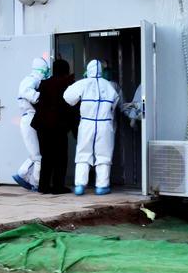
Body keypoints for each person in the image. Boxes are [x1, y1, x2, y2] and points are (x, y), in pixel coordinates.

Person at [63, 59, 119, 195]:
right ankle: (102, 186)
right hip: (104, 124)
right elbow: (115, 103)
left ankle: (80, 185)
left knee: (83, 153)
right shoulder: (110, 85)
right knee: (104, 155)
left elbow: (68, 97)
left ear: (88, 70)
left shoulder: (82, 83)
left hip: (87, 123)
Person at [33, 59, 77, 194]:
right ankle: (58, 186)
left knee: (46, 156)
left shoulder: (44, 84)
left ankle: (43, 186)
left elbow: (38, 102)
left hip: (42, 125)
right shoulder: (67, 84)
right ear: (66, 70)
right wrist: (75, 129)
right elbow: (71, 107)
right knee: (60, 157)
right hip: (58, 126)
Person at [13, 57, 50, 191]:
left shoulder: (33, 79)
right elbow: (27, 92)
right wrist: (40, 98)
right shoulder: (31, 80)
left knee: (36, 152)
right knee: (38, 155)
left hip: (31, 118)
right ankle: (34, 182)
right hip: (30, 118)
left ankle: (23, 174)